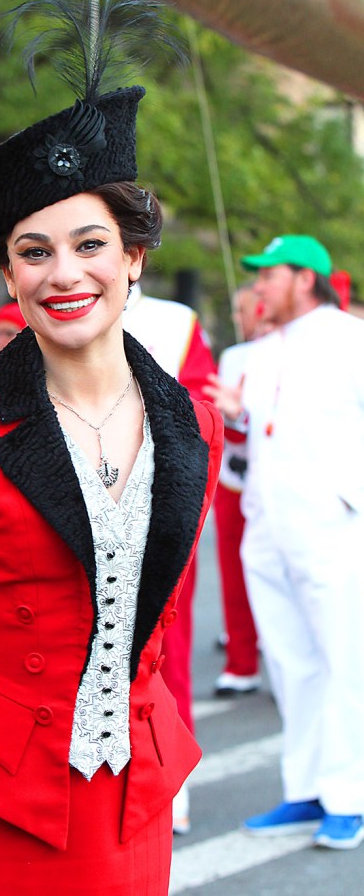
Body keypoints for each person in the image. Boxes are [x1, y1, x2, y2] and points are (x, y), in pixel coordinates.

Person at [0, 0, 223, 895]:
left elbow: (164, 612)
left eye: (89, 243)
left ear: (133, 255)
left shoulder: (194, 422)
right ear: (8, 272)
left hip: (131, 800)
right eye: (34, 251)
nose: (65, 274)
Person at [204, 234, 364, 850]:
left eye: (270, 274)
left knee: (344, 662)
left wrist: (348, 496)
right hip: (268, 524)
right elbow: (261, 430)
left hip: (333, 528)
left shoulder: (350, 339)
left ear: (305, 278)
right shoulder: (261, 351)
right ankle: (306, 789)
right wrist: (238, 417)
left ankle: (347, 798)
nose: (259, 286)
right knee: (292, 664)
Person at [122, 283, 216, 834]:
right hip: (66, 502)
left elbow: (201, 409)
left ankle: (168, 784)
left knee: (164, 648)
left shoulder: (176, 321)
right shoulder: (49, 305)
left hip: (158, 504)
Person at [211, 286, 268, 697]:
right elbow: (229, 422)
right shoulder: (234, 357)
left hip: (280, 483)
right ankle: (242, 662)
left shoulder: (292, 353)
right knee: (234, 575)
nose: (240, 317)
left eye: (243, 309)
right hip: (234, 477)